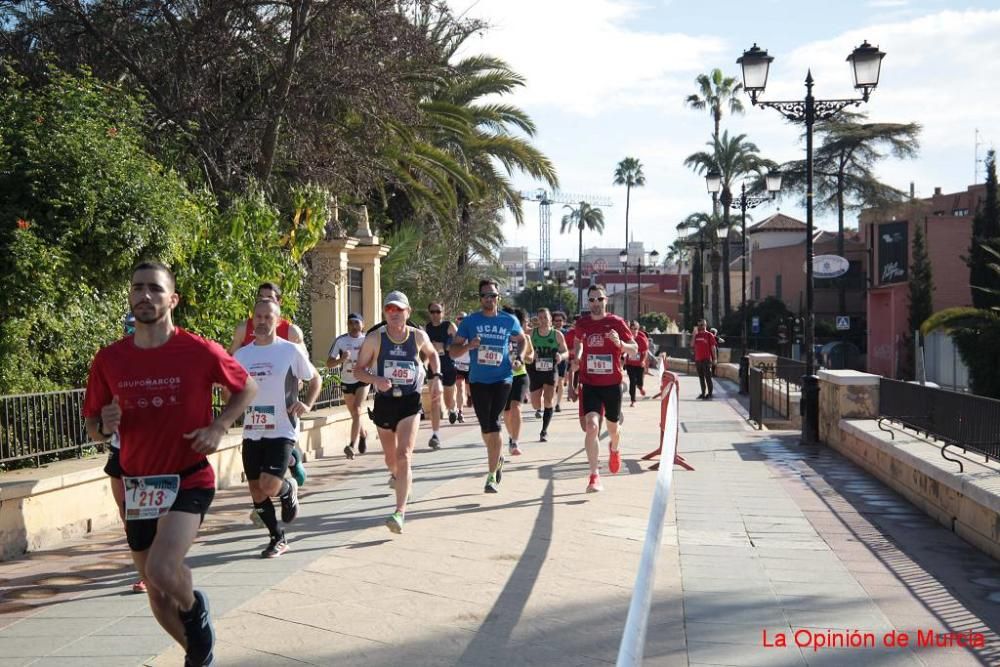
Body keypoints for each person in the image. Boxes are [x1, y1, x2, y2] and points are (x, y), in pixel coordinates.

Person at [84, 262, 257, 667]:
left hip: (188, 477)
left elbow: (246, 386)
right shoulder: (109, 359)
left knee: (162, 570)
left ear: (172, 299)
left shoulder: (198, 350)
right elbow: (93, 424)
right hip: (138, 485)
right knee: (156, 592)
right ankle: (197, 653)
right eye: (138, 288)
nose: (145, 296)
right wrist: (101, 426)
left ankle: (195, 607)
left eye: (155, 289)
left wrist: (219, 425)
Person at [234, 300, 320, 558]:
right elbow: (232, 386)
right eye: (257, 317)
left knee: (270, 485)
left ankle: (287, 488)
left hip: (282, 428)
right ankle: (277, 537)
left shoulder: (290, 351)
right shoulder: (242, 355)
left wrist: (307, 403)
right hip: (252, 430)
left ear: (278, 320)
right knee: (256, 490)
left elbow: (315, 378)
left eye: (267, 317)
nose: (261, 321)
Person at [353, 291, 441, 533]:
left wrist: (437, 378)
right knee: (391, 459)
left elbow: (433, 355)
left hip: (410, 402)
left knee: (404, 455)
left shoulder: (418, 336)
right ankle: (399, 477)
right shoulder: (374, 339)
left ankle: (399, 512)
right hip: (385, 402)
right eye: (389, 309)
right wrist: (376, 379)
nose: (394, 314)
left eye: (399, 310)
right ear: (384, 312)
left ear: (408, 312)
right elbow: (358, 370)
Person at [229, 281, 308, 486]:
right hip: (255, 390)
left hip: (283, 387)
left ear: (278, 303)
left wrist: (298, 386)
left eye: (270, 298)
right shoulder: (243, 328)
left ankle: (292, 458)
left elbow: (304, 364)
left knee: (283, 430)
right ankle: (285, 465)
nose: (265, 301)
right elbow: (231, 358)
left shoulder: (291, 332)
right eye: (260, 298)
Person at [450, 279, 525, 493]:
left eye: (493, 295)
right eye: (485, 295)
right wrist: (468, 345)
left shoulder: (508, 320)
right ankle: (497, 456)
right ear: (480, 298)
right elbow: (453, 351)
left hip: (503, 378)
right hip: (478, 380)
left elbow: (522, 340)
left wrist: (518, 356)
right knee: (486, 427)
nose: (489, 299)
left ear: (498, 297)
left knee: (494, 422)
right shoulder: (470, 322)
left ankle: (491, 476)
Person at [571, 284, 637, 492]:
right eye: (591, 300)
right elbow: (577, 344)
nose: (595, 303)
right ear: (587, 302)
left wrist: (621, 345)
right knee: (591, 426)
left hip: (612, 384)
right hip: (590, 383)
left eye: (599, 299)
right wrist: (578, 357)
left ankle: (615, 449)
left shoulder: (616, 322)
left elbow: (634, 350)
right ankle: (594, 476)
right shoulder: (582, 324)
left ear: (605, 300)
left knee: (613, 429)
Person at [104, 312, 145, 594]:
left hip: (148, 451)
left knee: (145, 513)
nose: (132, 332)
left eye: (136, 328)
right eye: (129, 328)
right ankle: (144, 567)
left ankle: (150, 568)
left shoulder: (158, 360)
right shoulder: (114, 362)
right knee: (126, 512)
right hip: (119, 449)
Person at [327, 313, 370, 460]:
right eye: (350, 323)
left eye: (356, 323)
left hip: (363, 378)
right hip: (347, 380)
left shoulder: (367, 340)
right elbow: (329, 363)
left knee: (357, 409)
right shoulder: (341, 341)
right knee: (354, 414)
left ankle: (351, 445)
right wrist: (342, 360)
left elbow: (375, 357)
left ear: (362, 325)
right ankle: (363, 434)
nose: (353, 326)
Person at [528, 308, 568, 442]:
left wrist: (560, 356)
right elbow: (525, 352)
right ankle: (538, 409)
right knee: (535, 403)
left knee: (549, 400)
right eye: (540, 318)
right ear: (537, 320)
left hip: (551, 370)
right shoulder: (532, 334)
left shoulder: (557, 335)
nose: (543, 320)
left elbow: (566, 352)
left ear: (550, 319)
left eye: (545, 317)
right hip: (535, 371)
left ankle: (544, 431)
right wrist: (532, 355)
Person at [424, 302, 460, 448]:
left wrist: (444, 346)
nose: (435, 315)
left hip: (448, 366)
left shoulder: (449, 326)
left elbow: (458, 343)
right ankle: (435, 435)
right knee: (434, 400)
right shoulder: (427, 328)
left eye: (438, 312)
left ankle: (452, 410)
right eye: (432, 312)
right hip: (433, 367)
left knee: (448, 398)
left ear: (443, 313)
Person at [502, 307, 534, 456]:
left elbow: (531, 356)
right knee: (506, 413)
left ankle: (515, 441)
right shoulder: (501, 336)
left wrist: (521, 358)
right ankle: (511, 436)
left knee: (516, 407)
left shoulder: (524, 337)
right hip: (503, 376)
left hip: (520, 375)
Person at [625, 320, 650, 408]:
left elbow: (645, 352)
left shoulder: (642, 338)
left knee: (639, 382)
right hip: (630, 364)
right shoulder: (626, 337)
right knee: (632, 381)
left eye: (635, 329)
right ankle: (633, 400)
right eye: (631, 328)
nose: (633, 331)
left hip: (639, 364)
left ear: (638, 329)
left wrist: (643, 361)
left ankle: (640, 387)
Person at [692, 319, 718, 399]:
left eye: (702, 325)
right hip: (698, 360)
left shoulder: (709, 335)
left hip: (706, 360)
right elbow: (692, 344)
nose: (700, 327)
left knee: (708, 377)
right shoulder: (697, 335)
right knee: (701, 378)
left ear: (705, 325)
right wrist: (694, 333)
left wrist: (715, 359)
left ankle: (709, 394)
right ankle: (703, 393)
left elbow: (713, 347)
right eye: (699, 325)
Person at [452, 311, 471, 422]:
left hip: (470, 365)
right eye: (459, 318)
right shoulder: (454, 332)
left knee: (470, 389)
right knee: (459, 387)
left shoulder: (471, 332)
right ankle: (460, 412)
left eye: (463, 318)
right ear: (456, 320)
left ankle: (469, 396)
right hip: (458, 365)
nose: (461, 320)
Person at [551, 311, 569, 412]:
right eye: (556, 320)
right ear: (552, 321)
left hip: (562, 360)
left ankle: (558, 404)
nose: (558, 322)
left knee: (560, 381)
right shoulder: (549, 332)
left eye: (560, 320)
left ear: (564, 321)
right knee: (552, 382)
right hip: (550, 359)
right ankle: (551, 402)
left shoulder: (567, 332)